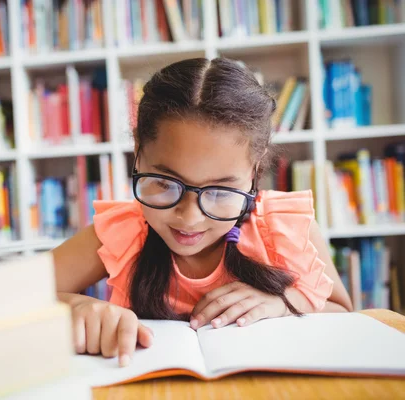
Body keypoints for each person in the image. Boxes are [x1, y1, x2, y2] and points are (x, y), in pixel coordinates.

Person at [52, 57, 353, 368]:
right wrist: (75, 306)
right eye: (165, 183)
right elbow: (14, 298)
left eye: (221, 191)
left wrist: (284, 304)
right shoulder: (123, 231)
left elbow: (343, 312)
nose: (190, 217)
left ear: (255, 167)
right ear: (138, 151)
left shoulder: (283, 227)